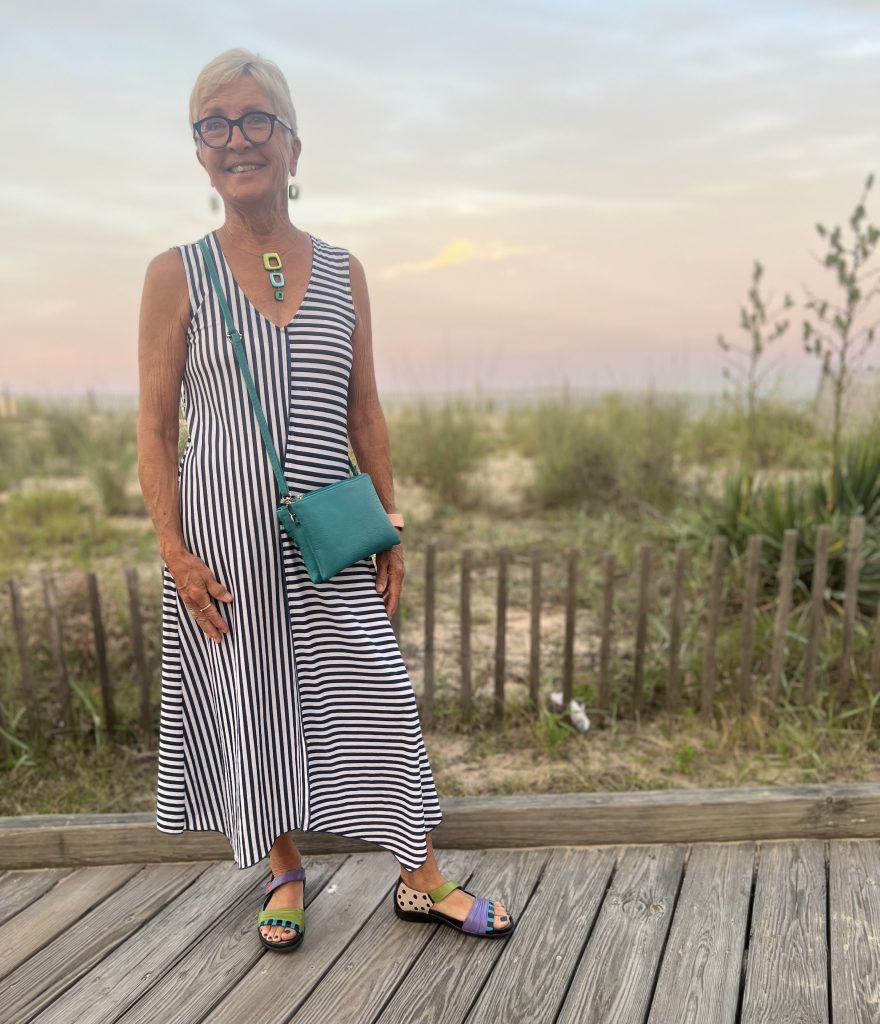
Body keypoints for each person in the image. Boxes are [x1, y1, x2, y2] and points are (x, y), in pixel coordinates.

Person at [136, 48, 513, 951]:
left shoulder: (344, 271)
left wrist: (390, 529)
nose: (237, 139)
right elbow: (154, 428)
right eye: (215, 125)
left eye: (257, 120)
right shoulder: (175, 272)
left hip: (334, 533)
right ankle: (286, 869)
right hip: (223, 543)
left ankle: (418, 875)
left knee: (377, 691)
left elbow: (364, 409)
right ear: (199, 154)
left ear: (294, 148)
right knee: (254, 697)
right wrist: (176, 556)